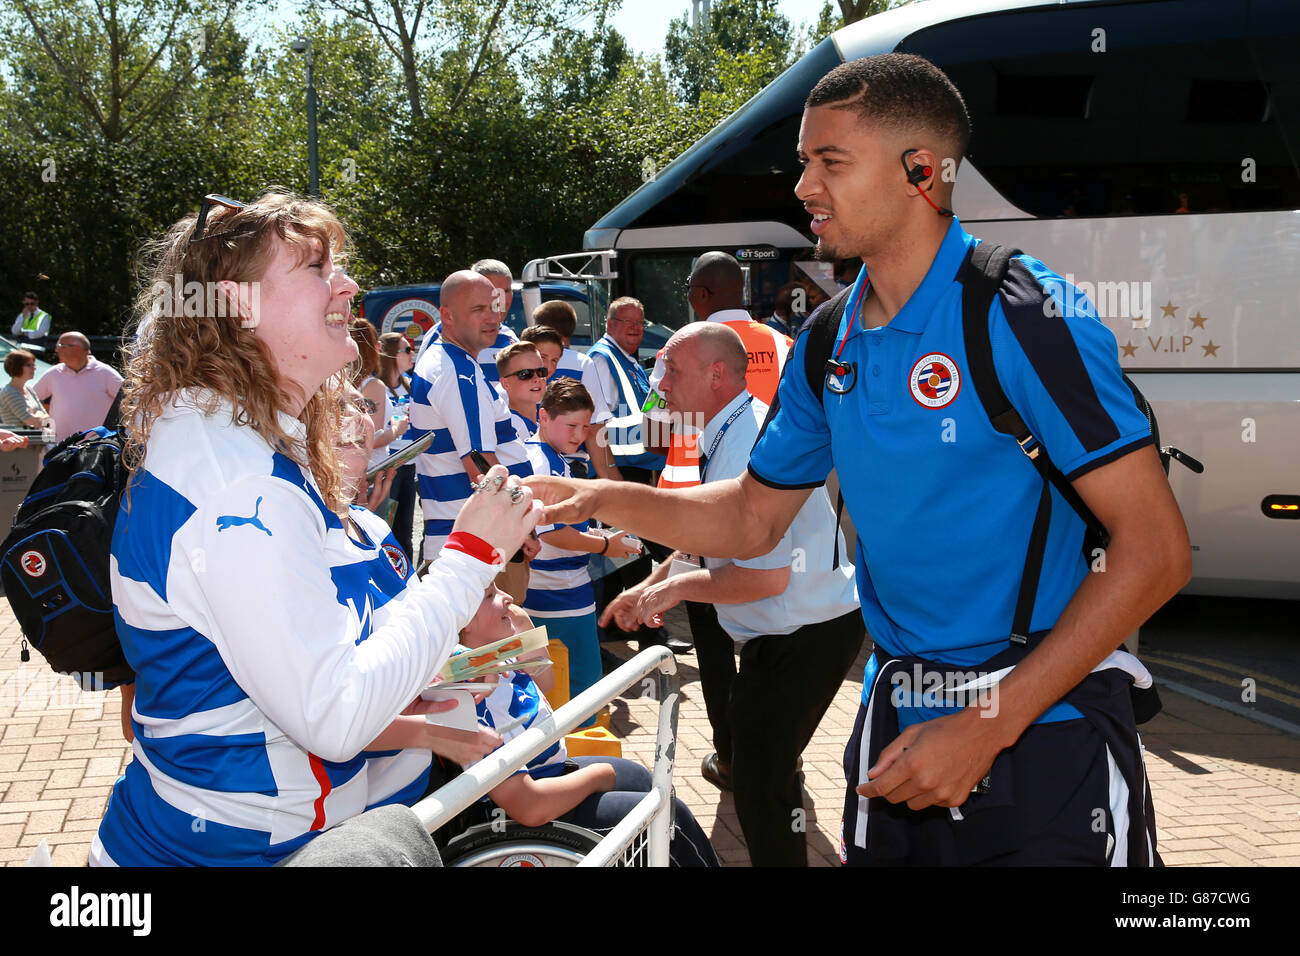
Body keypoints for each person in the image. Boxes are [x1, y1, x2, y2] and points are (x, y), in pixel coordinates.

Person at [527, 53, 1190, 867]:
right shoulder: (828, 340)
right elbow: (748, 515)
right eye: (804, 161)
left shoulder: (1022, 312)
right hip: (899, 729)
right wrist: (594, 496)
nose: (803, 186)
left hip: (1044, 737)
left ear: (920, 172)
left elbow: (1157, 551)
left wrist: (986, 728)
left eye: (829, 161)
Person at [92, 191, 539, 867]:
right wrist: (470, 556)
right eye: (316, 266)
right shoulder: (238, 481)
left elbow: (336, 649)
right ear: (236, 303)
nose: (348, 285)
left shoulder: (235, 440)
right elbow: (338, 716)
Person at [601, 323, 862, 866]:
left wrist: (671, 589)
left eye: (671, 369)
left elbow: (764, 578)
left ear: (717, 375)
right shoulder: (731, 428)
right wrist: (652, 585)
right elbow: (710, 539)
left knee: (761, 789)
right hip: (801, 631)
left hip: (803, 635)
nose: (660, 384)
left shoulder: (742, 440)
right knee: (762, 779)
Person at [457, 583, 718, 867]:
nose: (508, 597)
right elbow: (528, 807)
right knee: (668, 817)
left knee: (643, 779)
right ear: (462, 620)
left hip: (546, 771)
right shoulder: (467, 697)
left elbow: (545, 681)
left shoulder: (490, 659)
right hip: (525, 805)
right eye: (490, 595)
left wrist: (522, 623)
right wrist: (596, 776)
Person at [524, 378, 639, 705]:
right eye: (571, 425)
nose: (579, 435)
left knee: (559, 681)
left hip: (554, 587)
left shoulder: (548, 457)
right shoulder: (544, 462)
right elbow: (551, 533)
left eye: (586, 427)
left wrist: (599, 537)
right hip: (559, 592)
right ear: (543, 417)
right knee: (582, 685)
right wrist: (605, 546)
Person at [408, 270, 531, 558]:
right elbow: (481, 466)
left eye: (494, 307)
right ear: (447, 316)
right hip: (477, 545)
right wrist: (523, 527)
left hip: (464, 540)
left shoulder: (447, 359)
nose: (493, 318)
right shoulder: (457, 371)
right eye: (478, 309)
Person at [530, 299, 619, 480]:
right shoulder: (581, 363)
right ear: (571, 328)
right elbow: (595, 429)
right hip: (570, 465)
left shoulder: (519, 360)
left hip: (528, 460)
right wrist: (610, 480)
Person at [32, 332, 123, 442]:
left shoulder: (105, 373)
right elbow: (32, 399)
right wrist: (43, 420)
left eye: (60, 346)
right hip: (58, 447)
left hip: (95, 448)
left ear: (78, 348)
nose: (56, 350)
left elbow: (128, 400)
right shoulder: (54, 373)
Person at [376, 331, 419, 561]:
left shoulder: (410, 385)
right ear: (391, 355)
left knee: (406, 531)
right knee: (385, 527)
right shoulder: (377, 387)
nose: (412, 354)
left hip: (410, 464)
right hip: (389, 466)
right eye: (407, 350)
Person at [349, 319, 409, 476]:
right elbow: (372, 439)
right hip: (372, 473)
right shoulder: (373, 385)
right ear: (376, 347)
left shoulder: (339, 382)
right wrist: (397, 429)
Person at [495, 341, 546, 442]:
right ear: (505, 383)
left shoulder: (541, 425)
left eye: (541, 371)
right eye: (525, 374)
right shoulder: (511, 426)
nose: (537, 379)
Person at [0, 349, 50, 429]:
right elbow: (32, 422)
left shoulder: (29, 389)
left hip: (36, 439)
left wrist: (37, 416)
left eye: (33, 365)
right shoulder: (10, 392)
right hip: (20, 439)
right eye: (29, 365)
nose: (34, 368)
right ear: (16, 367)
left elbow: (47, 419)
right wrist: (40, 415)